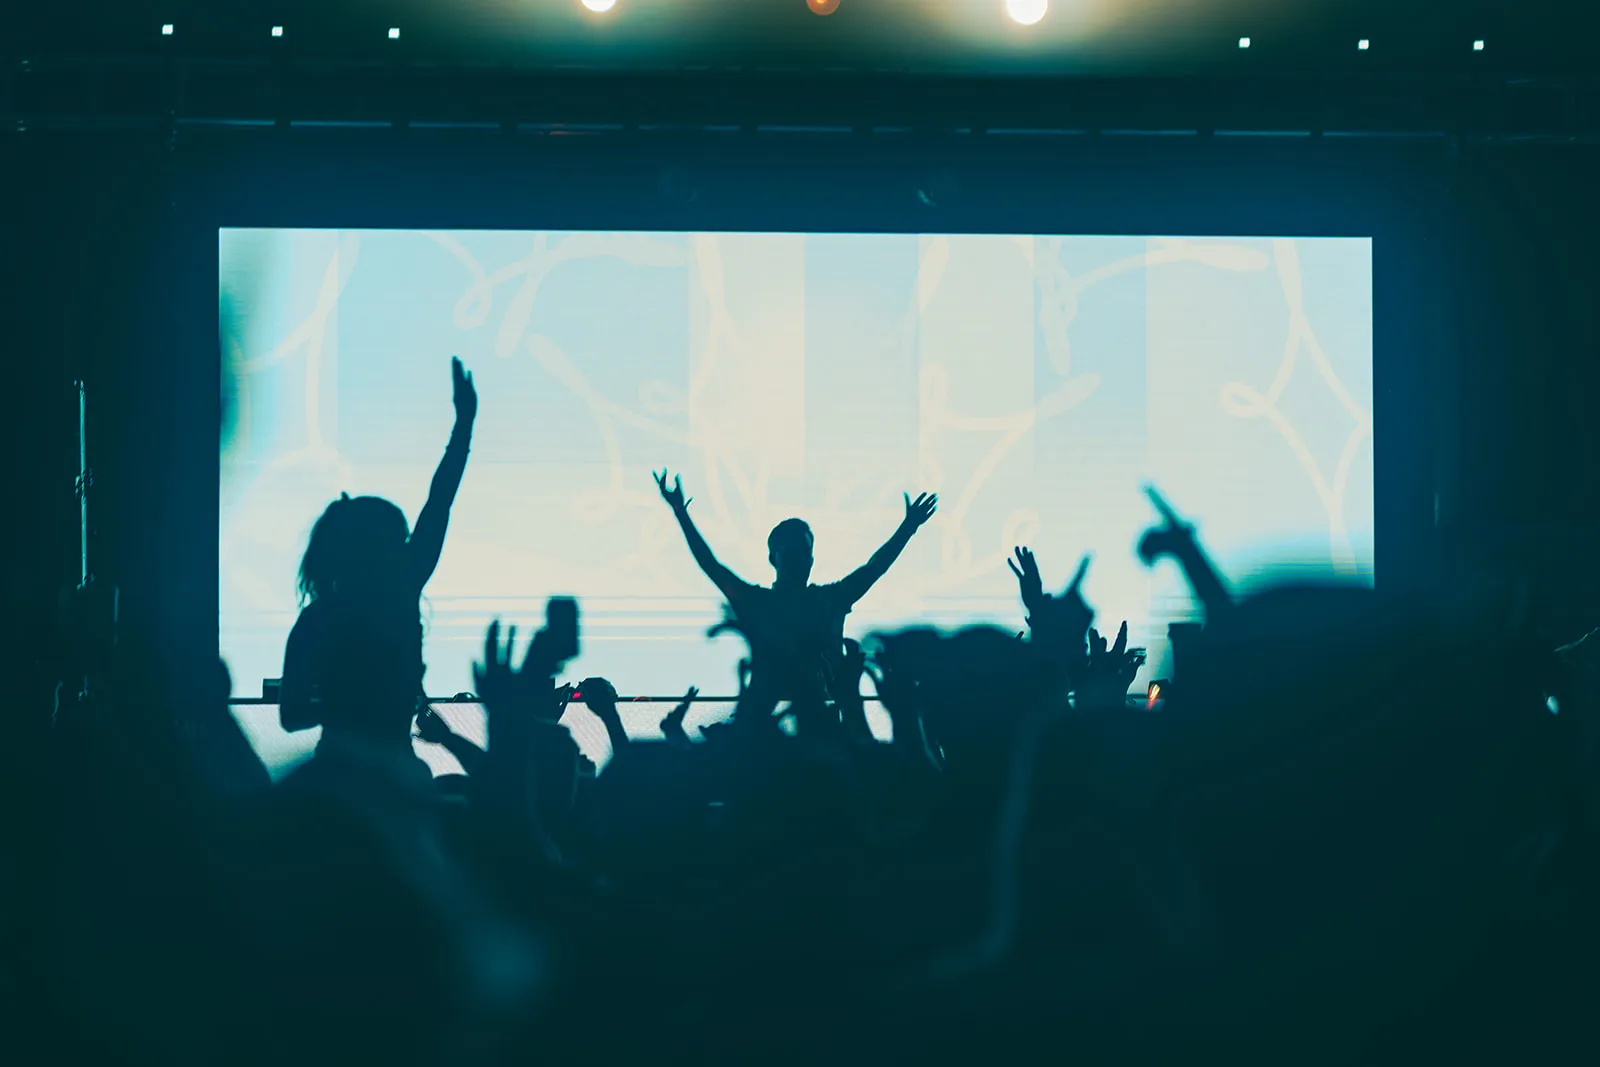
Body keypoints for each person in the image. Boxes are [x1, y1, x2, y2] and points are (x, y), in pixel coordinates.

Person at [278, 357, 477, 735]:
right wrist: (464, 425)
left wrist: (344, 704)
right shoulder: (401, 591)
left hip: (336, 772)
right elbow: (439, 502)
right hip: (395, 770)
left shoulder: (316, 620)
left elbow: (291, 717)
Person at [654, 469, 936, 725]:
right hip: (787, 728)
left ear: (810, 559)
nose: (795, 559)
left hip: (800, 726)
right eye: (788, 551)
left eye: (800, 551)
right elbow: (711, 566)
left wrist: (909, 527)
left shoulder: (809, 600)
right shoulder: (814, 600)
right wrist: (680, 513)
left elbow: (875, 568)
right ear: (772, 557)